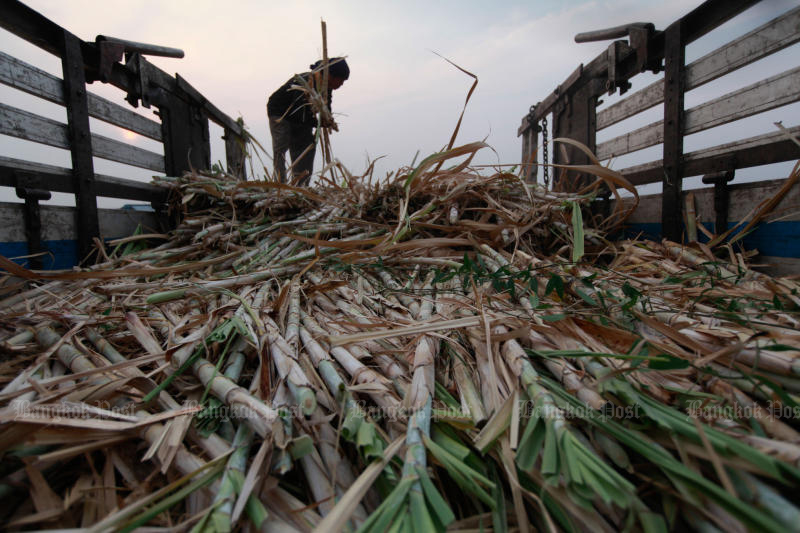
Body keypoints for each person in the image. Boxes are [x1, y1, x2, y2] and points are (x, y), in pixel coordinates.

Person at [267, 57, 350, 186]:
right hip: (280, 113)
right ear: (332, 76)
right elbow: (299, 112)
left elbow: (326, 104)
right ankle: (280, 185)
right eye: (341, 80)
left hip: (302, 119)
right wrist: (318, 123)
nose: (341, 84)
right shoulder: (306, 81)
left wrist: (327, 118)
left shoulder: (326, 87)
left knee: (307, 147)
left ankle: (301, 186)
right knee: (281, 149)